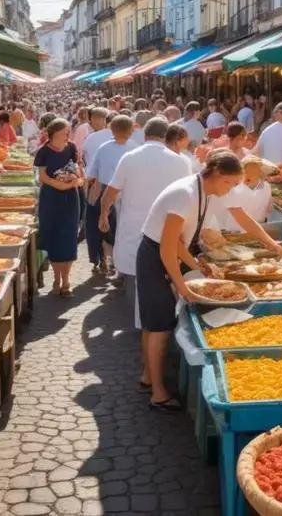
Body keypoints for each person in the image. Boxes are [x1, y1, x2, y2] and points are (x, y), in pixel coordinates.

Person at [136, 151, 282, 411]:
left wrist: (197, 266)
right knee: (159, 325)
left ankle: (148, 376)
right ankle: (158, 394)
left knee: (155, 321)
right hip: (154, 255)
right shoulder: (184, 194)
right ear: (217, 174)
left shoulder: (203, 192)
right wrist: (182, 286)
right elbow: (166, 247)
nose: (230, 190)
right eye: (229, 183)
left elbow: (185, 241)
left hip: (167, 250)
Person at [99, 118, 191, 386]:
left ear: (145, 134)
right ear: (165, 136)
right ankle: (155, 360)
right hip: (169, 236)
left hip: (134, 236)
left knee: (142, 299)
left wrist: (103, 214)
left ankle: (150, 362)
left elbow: (111, 191)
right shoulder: (180, 160)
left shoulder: (130, 157)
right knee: (158, 299)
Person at [35, 119, 85, 296]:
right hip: (51, 198)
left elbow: (78, 169)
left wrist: (77, 180)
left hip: (70, 198)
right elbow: (43, 177)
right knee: (54, 236)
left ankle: (66, 280)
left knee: (69, 237)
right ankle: (57, 277)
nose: (68, 134)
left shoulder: (71, 148)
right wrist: (59, 185)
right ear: (55, 133)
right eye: (65, 131)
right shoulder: (43, 152)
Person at [85, 115, 136, 276]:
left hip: (104, 191)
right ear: (131, 130)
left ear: (112, 130)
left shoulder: (104, 148)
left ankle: (101, 260)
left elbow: (91, 174)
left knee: (97, 228)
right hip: (128, 194)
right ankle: (119, 265)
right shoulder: (135, 147)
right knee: (120, 230)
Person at [205, 156, 272, 232]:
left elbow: (267, 211)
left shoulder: (266, 187)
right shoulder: (232, 188)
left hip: (256, 231)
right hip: (234, 232)